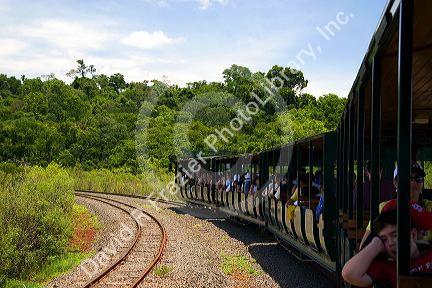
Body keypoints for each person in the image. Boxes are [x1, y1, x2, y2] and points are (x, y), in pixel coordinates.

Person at [341, 204, 432, 288]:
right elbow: (349, 274)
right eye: (384, 239)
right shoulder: (386, 267)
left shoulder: (429, 251)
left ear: (413, 235)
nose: (390, 243)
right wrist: (376, 244)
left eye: (395, 235)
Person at [360, 161, 432, 248]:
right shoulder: (384, 208)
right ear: (395, 183)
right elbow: (364, 245)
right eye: (407, 178)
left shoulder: (429, 207)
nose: (413, 182)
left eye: (418, 178)